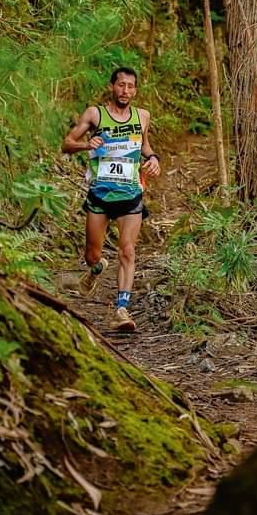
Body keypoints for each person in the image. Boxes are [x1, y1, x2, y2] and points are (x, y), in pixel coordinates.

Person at [61, 68, 161, 331]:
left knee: (127, 250)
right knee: (92, 255)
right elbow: (67, 143)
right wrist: (87, 145)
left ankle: (122, 309)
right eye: (120, 85)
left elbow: (145, 147)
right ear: (112, 87)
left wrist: (153, 160)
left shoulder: (142, 117)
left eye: (130, 86)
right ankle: (95, 269)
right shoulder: (95, 114)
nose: (125, 91)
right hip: (101, 195)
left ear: (135, 90)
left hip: (130, 195)